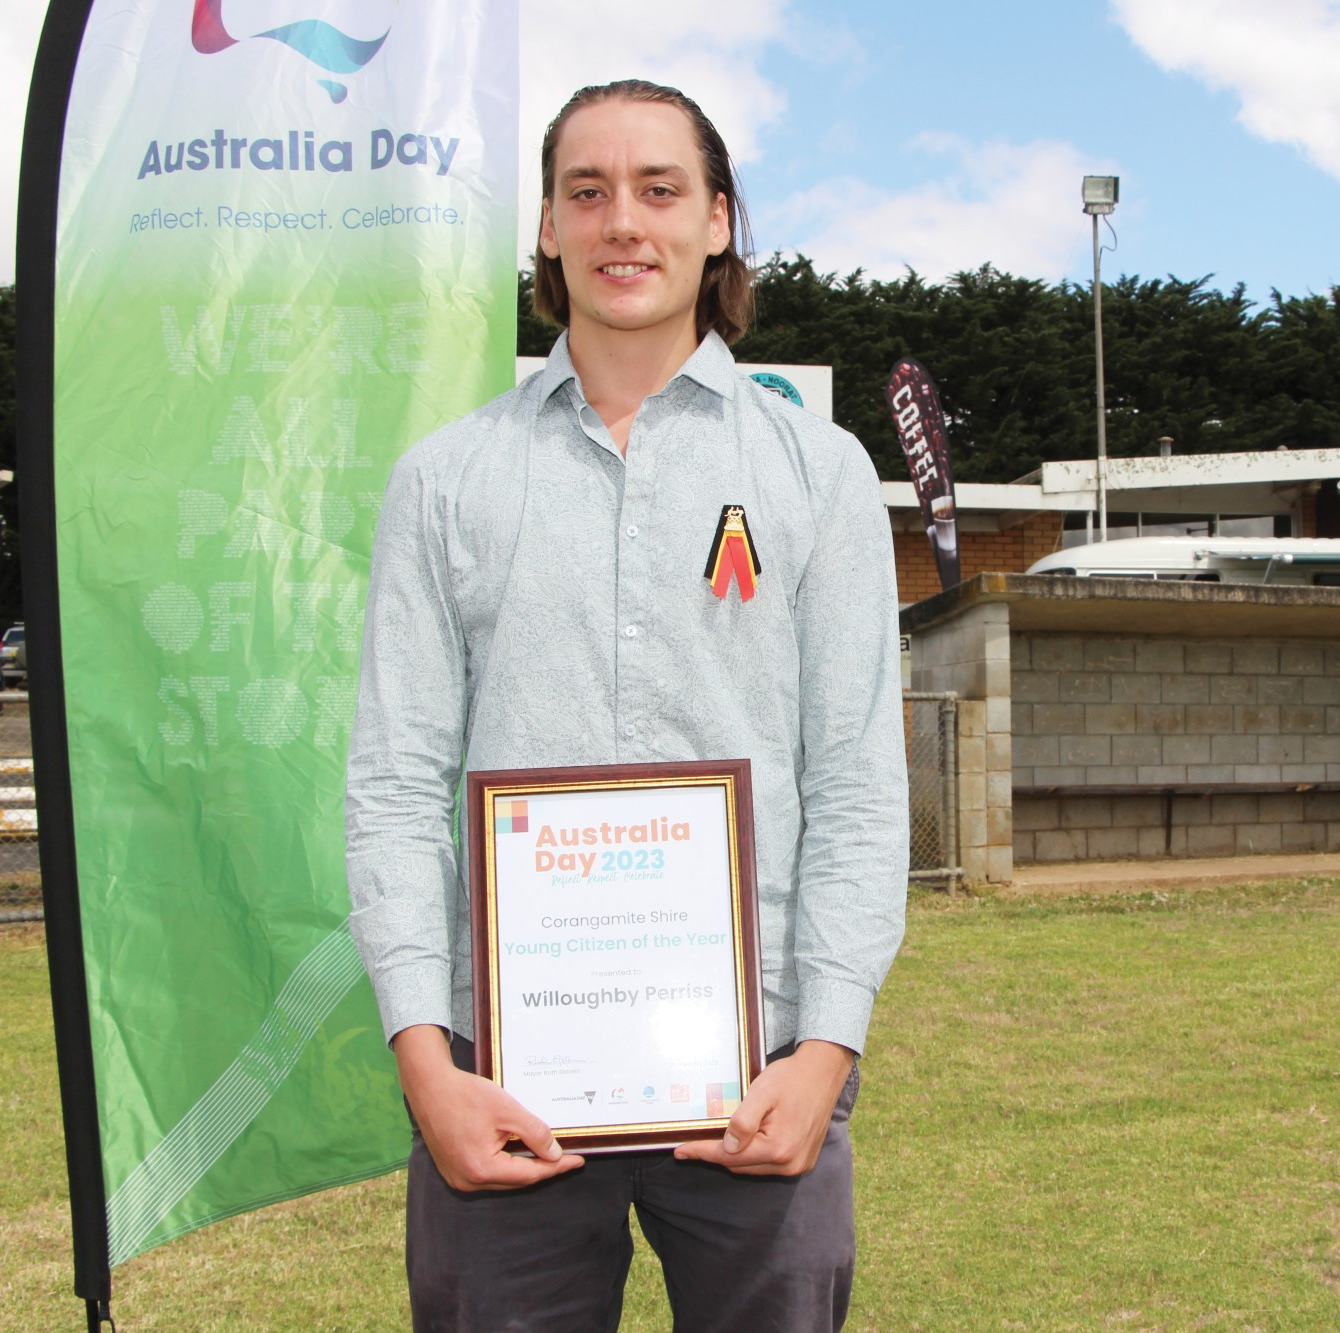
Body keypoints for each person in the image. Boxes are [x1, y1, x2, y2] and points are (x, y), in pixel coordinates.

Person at [345, 79, 908, 1333]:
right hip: (503, 1085)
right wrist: (426, 1061)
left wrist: (827, 1048)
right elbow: (393, 784)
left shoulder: (818, 474)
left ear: (718, 221)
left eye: (659, 190)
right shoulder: (445, 482)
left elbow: (860, 782)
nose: (622, 223)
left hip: (764, 1072)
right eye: (586, 192)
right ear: (545, 226)